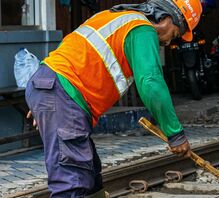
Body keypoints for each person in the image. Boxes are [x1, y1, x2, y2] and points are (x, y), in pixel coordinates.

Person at [25, 0, 202, 197]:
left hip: (50, 84)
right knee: (72, 179)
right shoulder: (141, 29)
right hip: (60, 91)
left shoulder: (114, 16)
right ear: (168, 17)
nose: (168, 42)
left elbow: (71, 51)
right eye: (175, 35)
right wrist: (175, 134)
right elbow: (151, 83)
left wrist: (46, 99)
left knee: (90, 173)